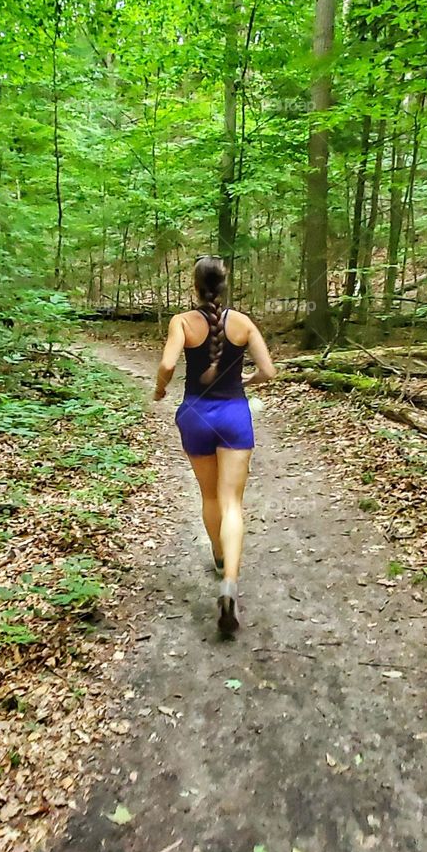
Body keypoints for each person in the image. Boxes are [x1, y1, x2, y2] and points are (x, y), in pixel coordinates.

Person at [153, 255, 276, 637]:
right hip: (234, 415)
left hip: (195, 415)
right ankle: (229, 585)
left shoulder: (182, 323)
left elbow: (168, 365)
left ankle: (220, 559)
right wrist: (245, 384)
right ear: (224, 285)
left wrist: (160, 389)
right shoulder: (242, 323)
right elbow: (269, 372)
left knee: (208, 497)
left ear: (195, 286)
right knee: (232, 503)